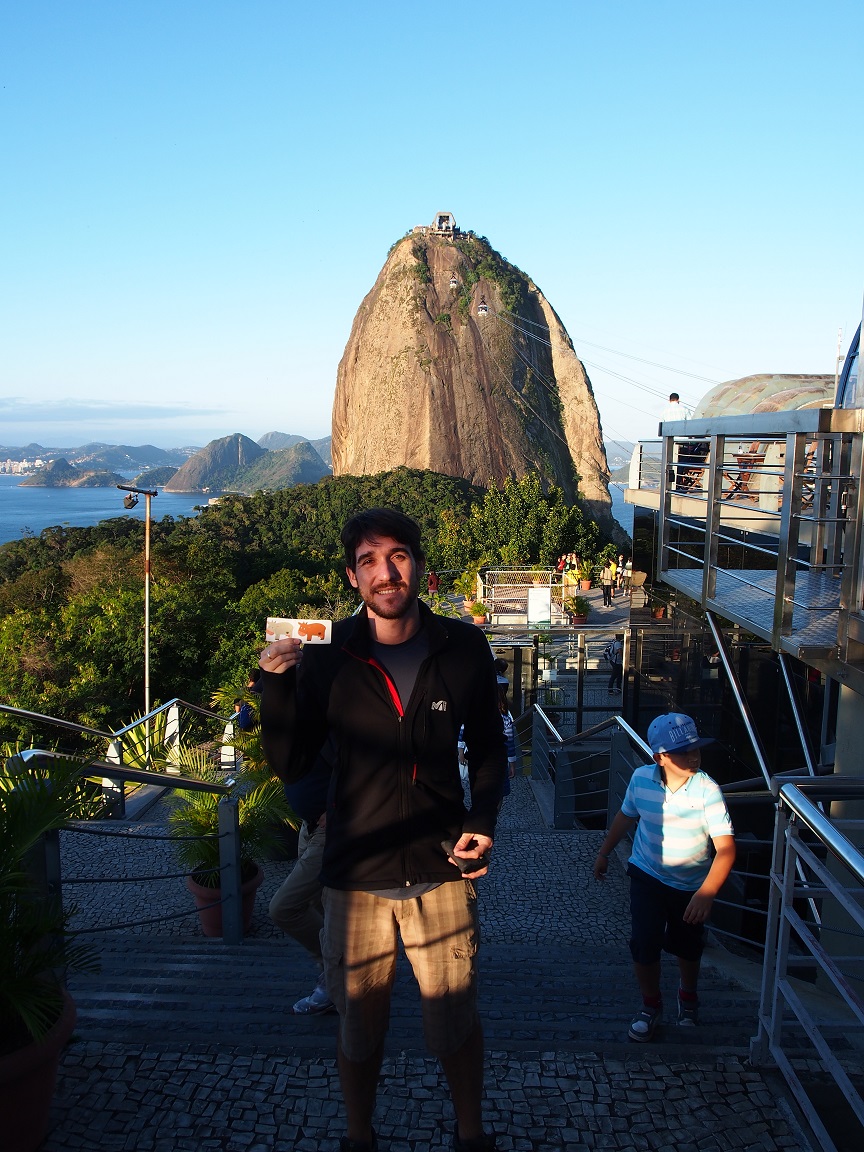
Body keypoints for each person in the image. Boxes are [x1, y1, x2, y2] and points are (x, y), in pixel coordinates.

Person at [260, 508, 505, 1152]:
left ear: (418, 564)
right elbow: (291, 761)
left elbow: (488, 746)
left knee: (453, 1022)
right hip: (354, 871)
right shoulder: (329, 654)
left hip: (440, 865)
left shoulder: (463, 646)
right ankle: (358, 1136)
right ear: (352, 577)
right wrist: (275, 688)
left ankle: (472, 1135)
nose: (385, 572)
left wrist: (483, 822)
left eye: (397, 555)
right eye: (368, 561)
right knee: (358, 1026)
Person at [592, 713, 735, 1043]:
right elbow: (626, 816)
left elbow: (726, 849)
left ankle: (688, 994)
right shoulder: (641, 778)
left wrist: (707, 892)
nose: (694, 756)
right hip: (647, 874)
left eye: (696, 748)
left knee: (688, 947)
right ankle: (650, 1005)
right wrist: (604, 853)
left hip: (690, 887)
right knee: (644, 942)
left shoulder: (708, 790)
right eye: (684, 751)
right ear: (660, 757)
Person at [268, 758, 334, 1015]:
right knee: (318, 902)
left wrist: (341, 805)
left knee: (284, 907)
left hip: (330, 828)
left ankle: (338, 968)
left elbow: (365, 763)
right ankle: (333, 980)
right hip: (308, 825)